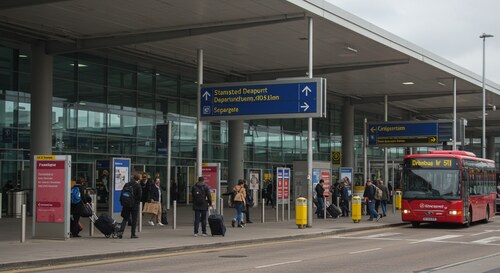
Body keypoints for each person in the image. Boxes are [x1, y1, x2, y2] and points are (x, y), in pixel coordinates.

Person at [118, 173, 142, 239]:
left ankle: (120, 232)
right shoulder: (138, 186)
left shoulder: (127, 184)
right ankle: (133, 234)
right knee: (134, 219)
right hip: (134, 205)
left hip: (126, 204)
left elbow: (122, 192)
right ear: (138, 179)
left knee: (125, 218)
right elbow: (139, 196)